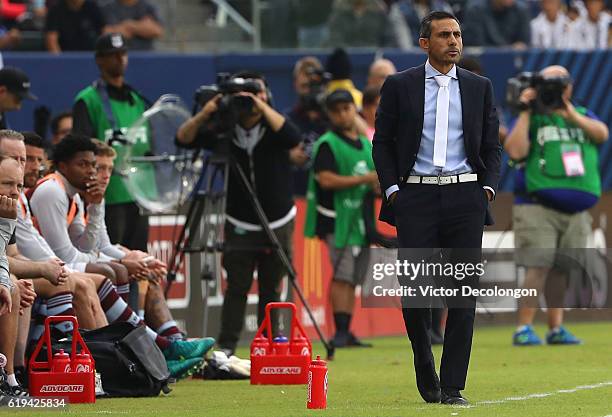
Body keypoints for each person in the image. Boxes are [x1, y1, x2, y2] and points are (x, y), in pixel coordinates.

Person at [372, 11, 501, 405]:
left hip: (465, 197)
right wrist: (394, 190)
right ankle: (425, 368)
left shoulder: (480, 87)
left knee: (463, 294)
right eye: (445, 35)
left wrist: (488, 191)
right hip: (416, 197)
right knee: (416, 293)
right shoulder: (399, 85)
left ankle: (452, 386)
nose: (454, 41)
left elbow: (491, 146)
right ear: (425, 43)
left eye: (458, 34)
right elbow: (383, 142)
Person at [27, 133, 215, 361]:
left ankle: (155, 346)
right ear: (63, 166)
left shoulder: (74, 195)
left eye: (95, 166)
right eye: (84, 165)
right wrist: (121, 260)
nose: (93, 172)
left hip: (53, 265)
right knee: (114, 271)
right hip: (42, 269)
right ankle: (143, 349)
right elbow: (65, 254)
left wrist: (96, 207)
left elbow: (90, 244)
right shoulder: (52, 190)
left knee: (125, 271)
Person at [176, 71, 301, 356]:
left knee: (272, 287)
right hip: (239, 219)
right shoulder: (224, 129)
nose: (247, 102)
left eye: (256, 93)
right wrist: (209, 111)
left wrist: (260, 104)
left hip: (278, 218)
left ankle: (269, 344)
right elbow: (183, 138)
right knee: (237, 286)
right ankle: (228, 346)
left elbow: (292, 137)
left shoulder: (274, 126)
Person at [504, 65, 608, 346]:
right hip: (537, 205)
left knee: (563, 270)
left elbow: (601, 134)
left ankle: (555, 327)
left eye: (558, 84)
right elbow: (514, 151)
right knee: (537, 267)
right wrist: (525, 110)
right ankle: (524, 327)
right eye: (547, 84)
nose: (552, 90)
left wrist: (569, 112)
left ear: (569, 87)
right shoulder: (532, 116)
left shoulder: (582, 115)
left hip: (576, 211)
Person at [304, 89, 378, 348]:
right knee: (342, 274)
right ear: (330, 114)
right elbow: (325, 180)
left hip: (361, 219)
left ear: (353, 110)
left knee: (354, 277)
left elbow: (376, 179)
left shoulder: (365, 143)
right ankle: (340, 331)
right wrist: (364, 180)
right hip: (338, 218)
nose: (342, 114)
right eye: (336, 110)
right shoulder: (327, 143)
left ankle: (346, 329)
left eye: (347, 108)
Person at [72, 32, 152, 257]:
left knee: (140, 260)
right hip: (108, 196)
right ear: (99, 60)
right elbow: (80, 151)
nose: (120, 59)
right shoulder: (87, 100)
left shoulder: (136, 99)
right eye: (112, 55)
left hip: (138, 194)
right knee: (110, 259)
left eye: (123, 53)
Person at [286, 56, 330, 195]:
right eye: (304, 86)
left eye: (313, 86)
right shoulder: (287, 119)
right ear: (295, 85)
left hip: (328, 195)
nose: (309, 91)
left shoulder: (335, 117)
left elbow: (363, 133)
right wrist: (287, 155)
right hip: (298, 194)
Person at [462, 0, 531, 48]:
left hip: (513, 61)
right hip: (484, 61)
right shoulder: (475, 10)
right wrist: (509, 49)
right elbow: (476, 44)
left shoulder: (521, 10)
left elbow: (524, 43)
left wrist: (520, 46)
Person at [328, 0, 395, 48]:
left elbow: (388, 40)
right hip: (346, 58)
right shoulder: (339, 14)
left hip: (375, 56)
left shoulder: (379, 12)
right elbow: (335, 40)